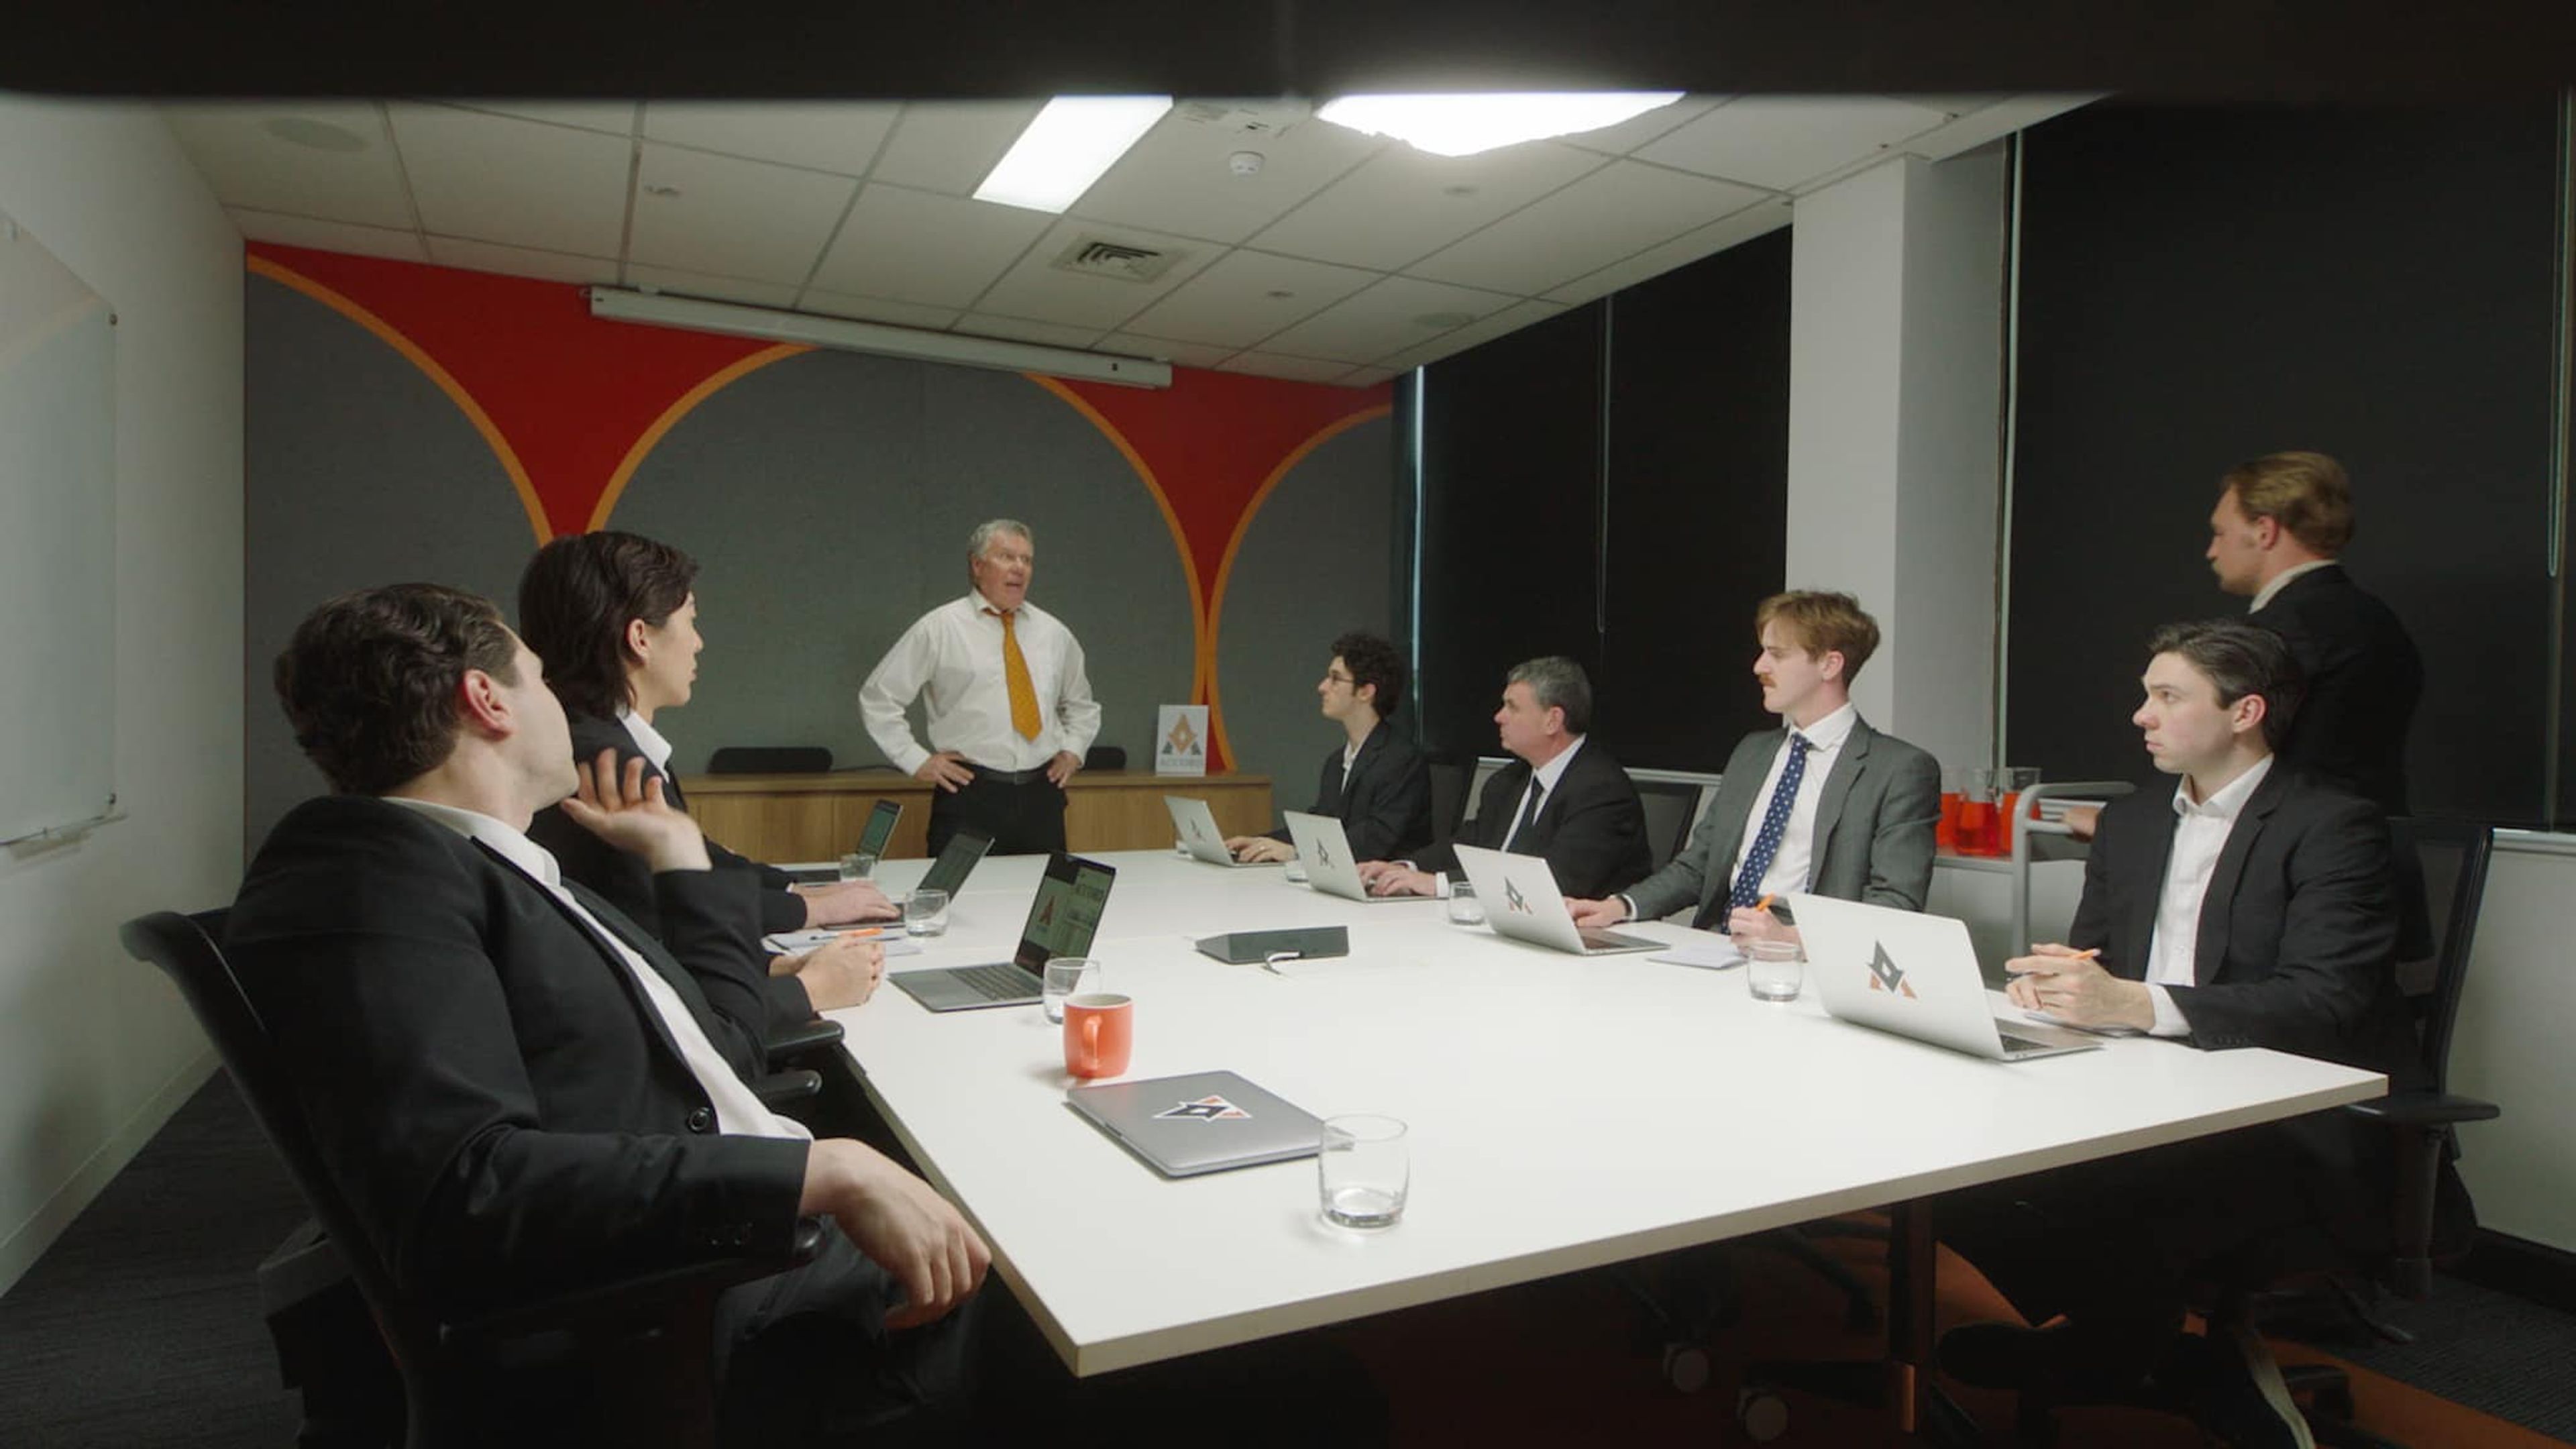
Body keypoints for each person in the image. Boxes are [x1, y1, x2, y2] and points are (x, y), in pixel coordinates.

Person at [228, 584, 987, 1442]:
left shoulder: (490, 865)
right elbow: (464, 1193)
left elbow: (717, 1042)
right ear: (487, 702)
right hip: (694, 1301)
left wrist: (676, 854)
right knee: (1046, 1311)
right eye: (542, 682)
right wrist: (827, 1173)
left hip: (704, 1222)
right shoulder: (380, 883)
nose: (566, 705)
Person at [1935, 619, 2447, 1449]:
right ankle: (2129, 1341)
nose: (2141, 715)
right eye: (2147, 695)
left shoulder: (2334, 824)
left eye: (2167, 696)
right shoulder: (2135, 823)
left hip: (2287, 1112)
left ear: (2245, 712)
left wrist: (2135, 1006)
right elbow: (2094, 953)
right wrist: (2056, 982)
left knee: (2111, 1192)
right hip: (2145, 1080)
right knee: (1956, 1158)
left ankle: (2133, 1348)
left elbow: (2326, 1001)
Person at [517, 530, 892, 1028]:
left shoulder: (598, 742)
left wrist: (778, 954)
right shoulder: (608, 765)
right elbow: (666, 956)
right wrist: (809, 982)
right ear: (640, 638)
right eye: (690, 620)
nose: (699, 642)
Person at [1568, 591, 1938, 941]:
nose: (1759, 666)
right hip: (1718, 945)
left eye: (1776, 654)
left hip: (1809, 963)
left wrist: (1791, 940)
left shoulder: (1898, 770)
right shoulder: (1753, 752)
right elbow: (1698, 865)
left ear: (1830, 664)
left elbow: (1896, 906)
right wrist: (1619, 906)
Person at [861, 520, 1102, 855]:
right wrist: (916, 760)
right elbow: (879, 698)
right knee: (959, 901)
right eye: (1007, 557)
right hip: (971, 793)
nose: (1019, 568)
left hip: (1041, 795)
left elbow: (1081, 705)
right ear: (977, 566)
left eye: (1027, 560)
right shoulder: (941, 628)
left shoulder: (1053, 634)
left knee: (1041, 901)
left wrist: (1074, 750)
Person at [1355, 656, 1650, 901]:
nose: (1499, 717)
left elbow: (1551, 881)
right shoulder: (1509, 781)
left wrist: (1439, 885)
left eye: (1512, 707)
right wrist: (1404, 867)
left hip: (1580, 945)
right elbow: (1467, 846)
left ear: (1553, 720)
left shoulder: (1602, 790)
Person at [1225, 631, 1432, 865]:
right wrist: (1259, 843)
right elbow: (1321, 824)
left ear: (1366, 691)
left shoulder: (1401, 759)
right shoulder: (1337, 762)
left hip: (1387, 886)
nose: (1322, 687)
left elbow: (1377, 838)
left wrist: (1298, 853)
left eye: (1335, 679)